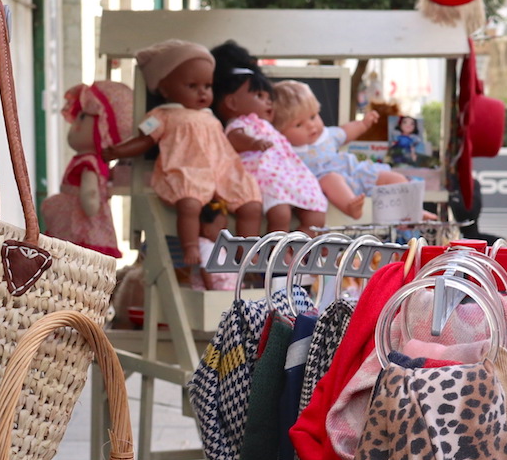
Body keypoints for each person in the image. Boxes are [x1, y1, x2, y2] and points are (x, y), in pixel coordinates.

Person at [107, 39, 263, 285]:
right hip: (187, 171)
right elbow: (144, 140)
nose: (203, 92)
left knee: (251, 204)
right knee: (189, 204)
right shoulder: (163, 115)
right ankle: (190, 246)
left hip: (222, 169)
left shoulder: (210, 116)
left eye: (207, 86)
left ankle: (247, 252)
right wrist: (116, 151)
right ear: (166, 89)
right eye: (193, 85)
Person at [210, 41, 327, 231]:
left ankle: (297, 251)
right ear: (232, 103)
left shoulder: (267, 126)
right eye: (259, 96)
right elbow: (235, 137)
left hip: (291, 175)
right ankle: (276, 254)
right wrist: (254, 142)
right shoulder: (241, 124)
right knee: (280, 214)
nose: (268, 102)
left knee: (316, 215)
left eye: (268, 97)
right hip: (267, 177)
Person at [272, 80, 406, 219]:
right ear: (279, 131)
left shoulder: (327, 135)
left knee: (395, 179)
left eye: (313, 117)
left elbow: (345, 132)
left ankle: (412, 212)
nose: (311, 126)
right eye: (299, 124)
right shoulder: (287, 151)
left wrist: (363, 124)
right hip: (329, 186)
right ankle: (350, 207)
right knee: (331, 179)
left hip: (356, 173)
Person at [41, 80, 133, 257]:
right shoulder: (91, 161)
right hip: (78, 218)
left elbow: (90, 193)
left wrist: (92, 201)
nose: (75, 122)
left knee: (76, 256)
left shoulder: (89, 162)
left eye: (83, 117)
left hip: (81, 223)